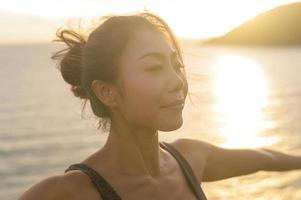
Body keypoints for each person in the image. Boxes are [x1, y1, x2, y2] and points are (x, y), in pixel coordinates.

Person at [19, 11, 301, 200]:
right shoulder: (70, 192)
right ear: (107, 92)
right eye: (154, 68)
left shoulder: (191, 158)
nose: (178, 81)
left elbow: (268, 157)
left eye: (176, 65)